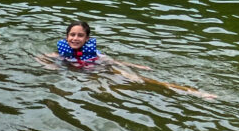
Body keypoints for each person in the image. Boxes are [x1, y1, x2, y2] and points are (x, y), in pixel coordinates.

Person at [43, 21, 214, 97]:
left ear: (87, 39)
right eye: (72, 35)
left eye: (80, 35)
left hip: (103, 69)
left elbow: (113, 61)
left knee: (139, 79)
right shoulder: (60, 54)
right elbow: (41, 58)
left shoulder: (95, 54)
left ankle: (195, 92)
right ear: (66, 37)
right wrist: (51, 66)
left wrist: (135, 65)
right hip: (94, 75)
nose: (75, 38)